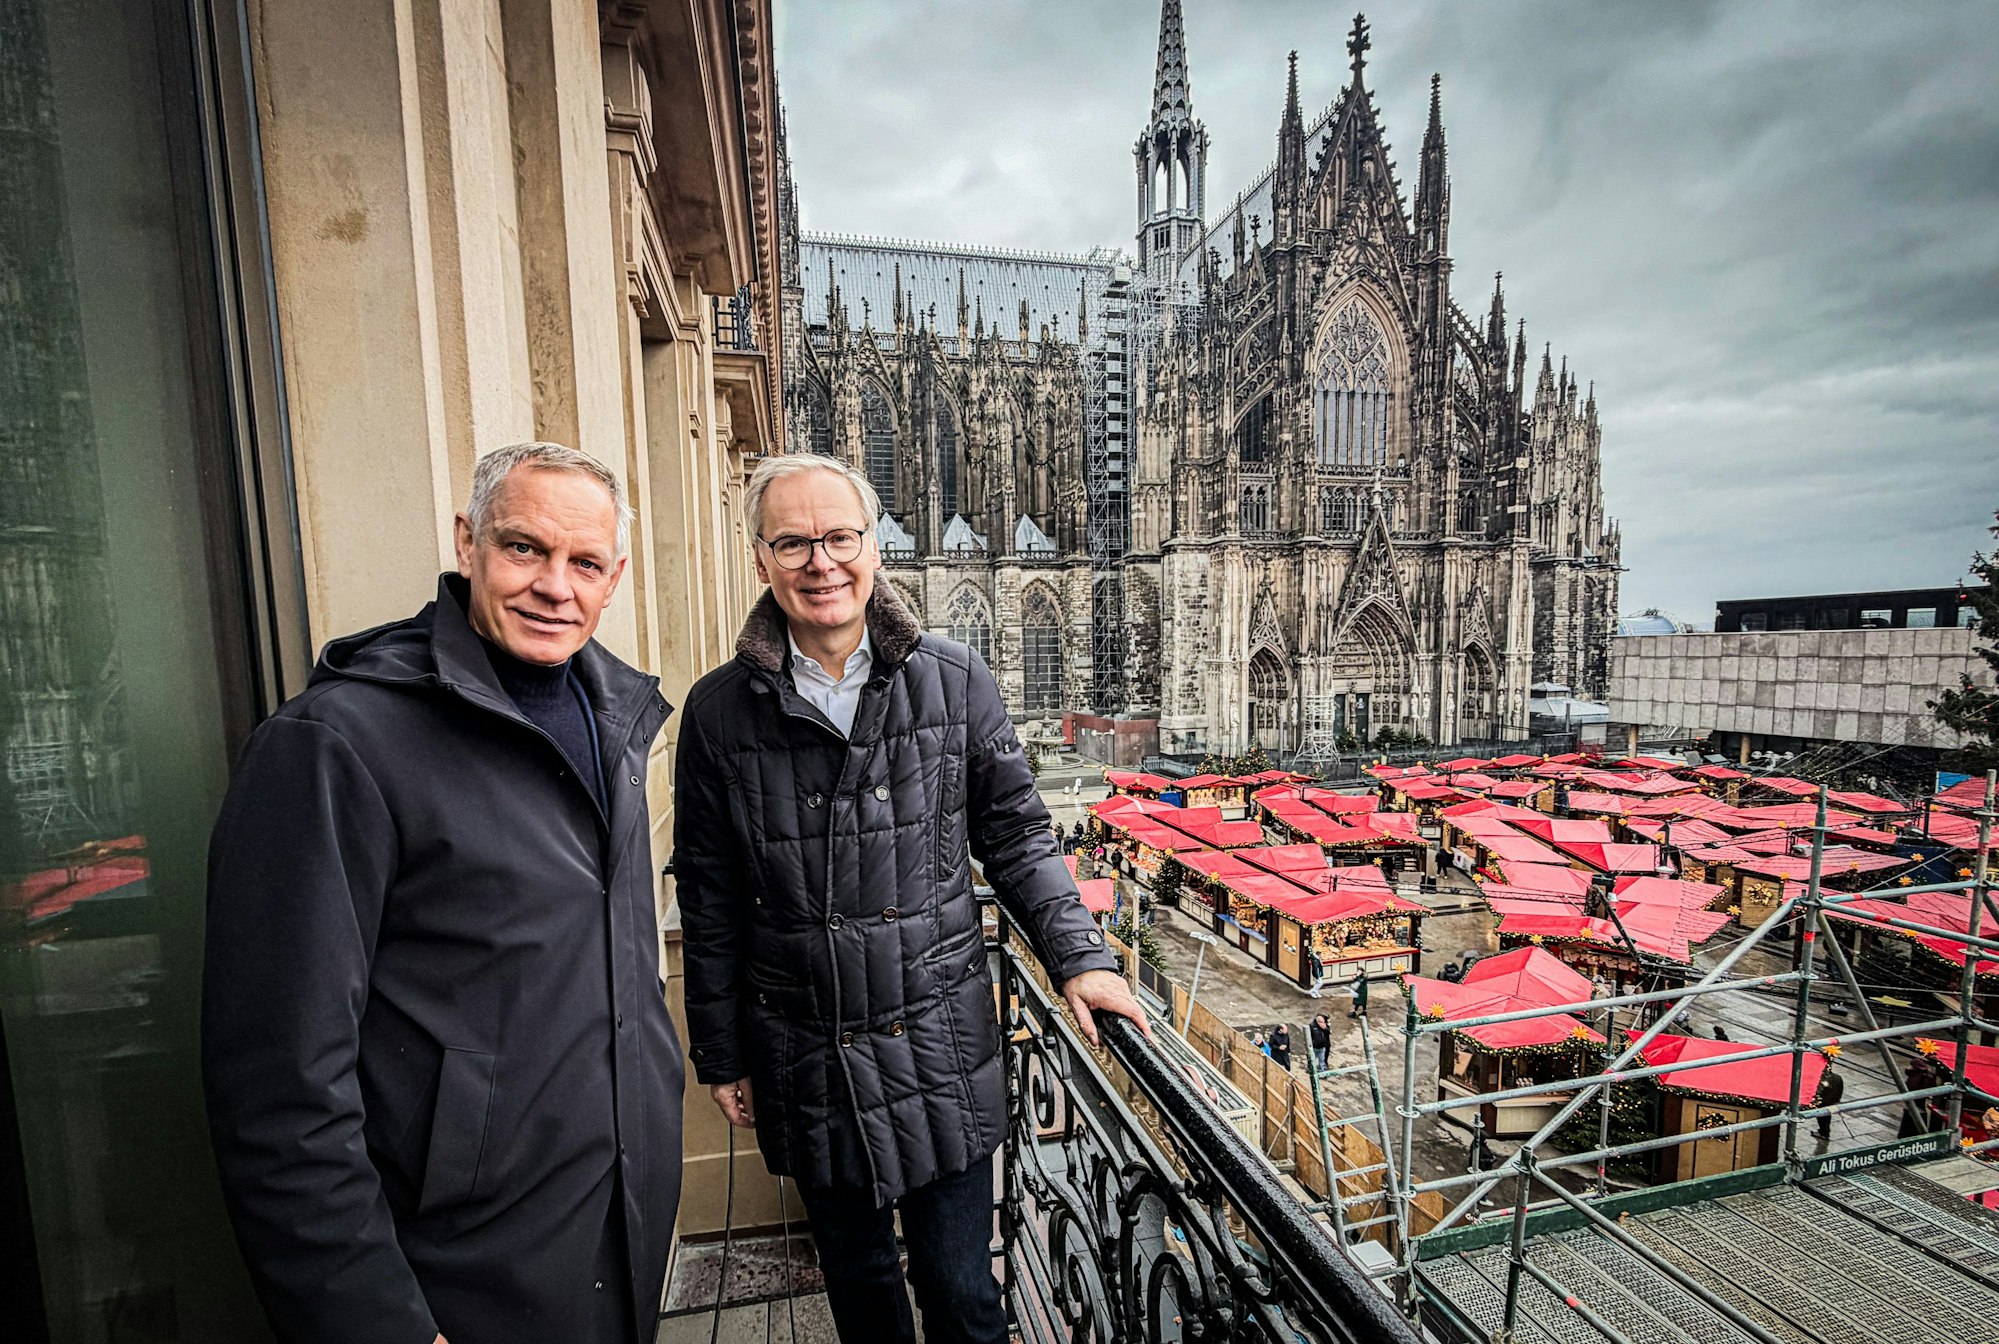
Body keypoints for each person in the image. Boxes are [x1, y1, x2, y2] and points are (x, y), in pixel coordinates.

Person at [202, 442, 682, 1344]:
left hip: (611, 1230)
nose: (555, 586)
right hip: (457, 1268)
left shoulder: (611, 715)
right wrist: (374, 1319)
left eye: (583, 563)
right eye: (524, 550)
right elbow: (279, 1086)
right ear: (467, 543)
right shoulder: (334, 744)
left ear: (614, 578)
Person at [675, 454, 1148, 1344]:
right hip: (806, 1047)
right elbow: (709, 893)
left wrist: (1080, 960)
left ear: (874, 547)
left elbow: (1014, 833)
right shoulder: (717, 711)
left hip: (933, 1037)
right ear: (759, 558)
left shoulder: (951, 676)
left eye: (840, 537)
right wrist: (721, 1049)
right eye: (793, 542)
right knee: (861, 1292)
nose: (821, 562)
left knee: (962, 1295)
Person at [1815, 1068, 1845, 1141]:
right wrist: (1837, 1100)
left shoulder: (1822, 1079)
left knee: (1822, 1118)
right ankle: (1825, 1131)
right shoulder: (1838, 1077)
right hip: (1831, 1101)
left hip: (1822, 1102)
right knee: (1827, 1117)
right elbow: (1840, 1090)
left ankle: (1824, 1133)